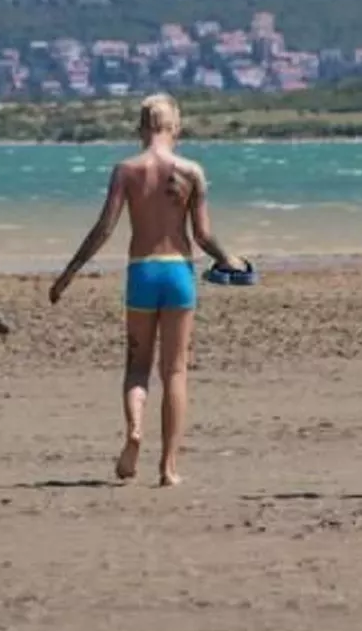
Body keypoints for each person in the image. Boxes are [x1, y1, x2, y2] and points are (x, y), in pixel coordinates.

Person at [48, 94, 243, 488]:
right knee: (175, 371)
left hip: (142, 271)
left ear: (140, 128)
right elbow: (202, 235)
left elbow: (104, 229)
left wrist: (68, 273)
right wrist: (230, 260)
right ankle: (169, 468)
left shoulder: (126, 170)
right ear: (177, 127)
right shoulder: (191, 171)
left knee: (137, 367)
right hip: (178, 273)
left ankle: (135, 429)